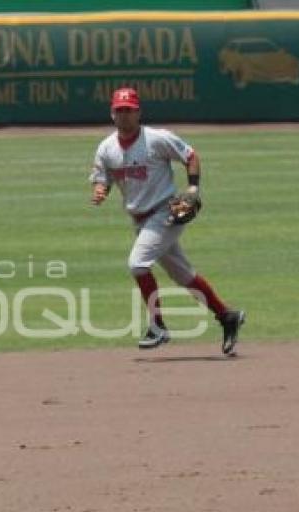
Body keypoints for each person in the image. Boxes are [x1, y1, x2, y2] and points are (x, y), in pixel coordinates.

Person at [89, 87, 245, 354]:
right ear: (112, 113)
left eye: (129, 110)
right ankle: (226, 316)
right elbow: (103, 175)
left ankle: (158, 326)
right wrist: (101, 188)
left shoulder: (157, 139)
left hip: (165, 214)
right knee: (183, 275)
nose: (124, 115)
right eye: (119, 110)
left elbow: (191, 156)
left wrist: (193, 188)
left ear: (139, 112)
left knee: (138, 264)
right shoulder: (106, 148)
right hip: (140, 220)